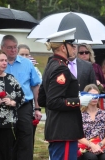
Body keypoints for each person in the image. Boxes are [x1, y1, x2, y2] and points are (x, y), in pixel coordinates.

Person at [38, 28, 93, 160]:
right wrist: (78, 101)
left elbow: (42, 99)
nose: (75, 48)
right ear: (63, 47)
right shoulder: (61, 68)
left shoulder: (51, 65)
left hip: (58, 129)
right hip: (64, 129)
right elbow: (52, 101)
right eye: (71, 45)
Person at [1, 35, 42, 160]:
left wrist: (37, 107)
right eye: (9, 48)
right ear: (2, 48)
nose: (13, 50)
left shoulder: (27, 63)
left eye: (15, 47)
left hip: (24, 105)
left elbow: (35, 86)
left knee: (25, 137)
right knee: (5, 138)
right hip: (3, 106)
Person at [0, 50, 25, 160]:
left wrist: (12, 102)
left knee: (5, 153)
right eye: (1, 60)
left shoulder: (11, 78)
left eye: (6, 60)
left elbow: (21, 96)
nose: (4, 63)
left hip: (8, 122)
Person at [78, 84, 105, 160]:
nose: (94, 98)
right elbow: (78, 136)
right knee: (91, 158)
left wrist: (98, 145)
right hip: (85, 147)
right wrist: (91, 145)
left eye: (96, 95)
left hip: (101, 146)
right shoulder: (79, 115)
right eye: (91, 95)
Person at [17, 43, 42, 147]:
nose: (25, 57)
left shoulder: (34, 69)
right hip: (16, 104)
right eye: (22, 54)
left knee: (28, 135)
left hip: (30, 106)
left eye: (27, 55)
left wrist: (37, 108)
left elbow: (37, 87)